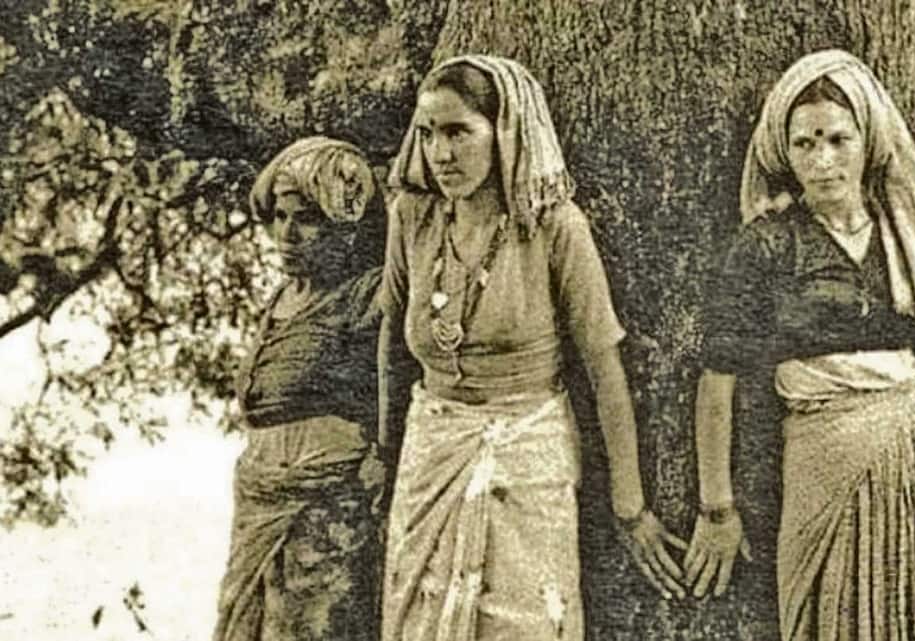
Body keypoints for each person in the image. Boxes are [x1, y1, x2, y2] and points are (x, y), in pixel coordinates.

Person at [376, 54, 685, 641]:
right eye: (428, 134)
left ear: (505, 132)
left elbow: (604, 367)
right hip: (429, 456)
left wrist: (631, 507)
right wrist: (385, 449)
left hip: (528, 455)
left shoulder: (553, 227)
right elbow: (392, 340)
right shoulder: (413, 217)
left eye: (458, 132)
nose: (441, 154)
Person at [686, 50, 915, 641]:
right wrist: (717, 508)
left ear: (868, 142)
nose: (822, 161)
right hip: (820, 456)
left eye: (838, 140)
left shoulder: (906, 238)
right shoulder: (768, 245)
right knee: (825, 616)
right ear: (784, 152)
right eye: (804, 144)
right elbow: (718, 378)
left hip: (912, 458)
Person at [212, 137, 389, 641]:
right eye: (279, 217)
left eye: (307, 219)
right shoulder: (284, 296)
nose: (287, 234)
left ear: (344, 227)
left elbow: (393, 383)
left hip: (325, 512)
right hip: (262, 501)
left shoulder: (366, 295)